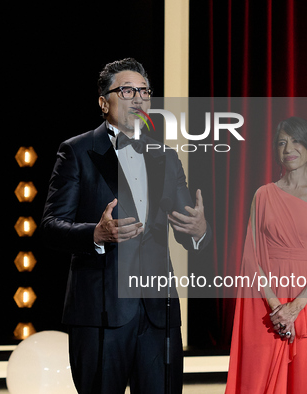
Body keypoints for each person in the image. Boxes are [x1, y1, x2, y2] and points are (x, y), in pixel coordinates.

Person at [41, 58, 210, 394]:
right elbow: (50, 226)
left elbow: (185, 222)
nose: (139, 99)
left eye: (145, 92)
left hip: (157, 311)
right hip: (101, 314)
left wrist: (199, 230)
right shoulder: (76, 151)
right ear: (104, 102)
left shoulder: (166, 155)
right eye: (128, 90)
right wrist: (95, 234)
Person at [225, 117, 307, 393]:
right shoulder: (263, 195)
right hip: (268, 303)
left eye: (296, 140)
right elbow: (251, 257)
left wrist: (294, 308)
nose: (289, 147)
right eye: (282, 142)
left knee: (304, 380)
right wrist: (277, 308)